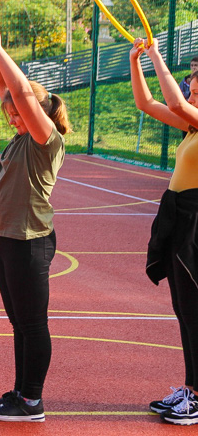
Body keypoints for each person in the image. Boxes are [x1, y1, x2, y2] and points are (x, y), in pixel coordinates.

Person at [0, 30, 72, 423]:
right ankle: (20, 392)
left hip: (30, 242)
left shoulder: (44, 140)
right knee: (19, 322)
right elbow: (8, 89)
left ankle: (32, 400)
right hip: (9, 241)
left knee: (33, 324)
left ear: (37, 112)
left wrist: (1, 47)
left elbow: (18, 91)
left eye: (18, 112)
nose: (12, 117)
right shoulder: (21, 136)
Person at [130, 38, 198, 426]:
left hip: (195, 222)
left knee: (195, 311)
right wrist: (136, 61)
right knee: (185, 310)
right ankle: (192, 387)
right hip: (179, 218)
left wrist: (157, 54)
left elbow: (174, 103)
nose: (191, 92)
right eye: (191, 86)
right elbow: (149, 105)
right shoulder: (192, 125)